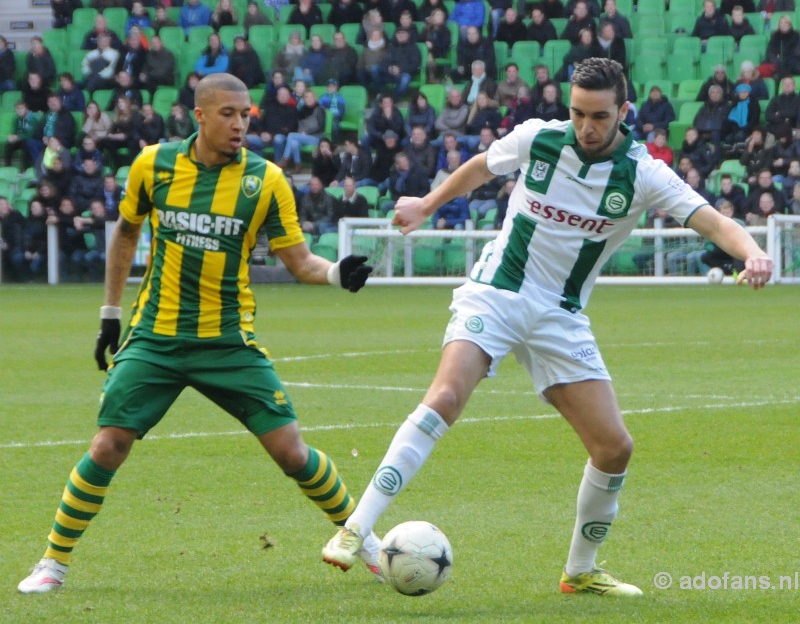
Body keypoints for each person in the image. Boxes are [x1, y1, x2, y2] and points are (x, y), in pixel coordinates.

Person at [321, 57, 774, 596]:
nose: (587, 126)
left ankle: (580, 571)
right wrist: (426, 203)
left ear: (623, 112)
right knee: (445, 395)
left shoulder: (645, 173)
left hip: (561, 314)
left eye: (600, 116)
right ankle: (356, 529)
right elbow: (482, 166)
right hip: (500, 288)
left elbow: (714, 221)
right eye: (579, 113)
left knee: (614, 447)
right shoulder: (539, 139)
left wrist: (753, 251)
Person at [17, 73, 378, 595]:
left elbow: (299, 261)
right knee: (108, 445)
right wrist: (109, 315)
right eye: (228, 114)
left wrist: (335, 273)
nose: (239, 124)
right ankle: (53, 562)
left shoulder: (266, 180)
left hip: (228, 340)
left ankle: (360, 537)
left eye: (246, 114)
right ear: (200, 116)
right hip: (157, 337)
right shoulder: (153, 164)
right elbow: (126, 234)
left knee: (292, 453)